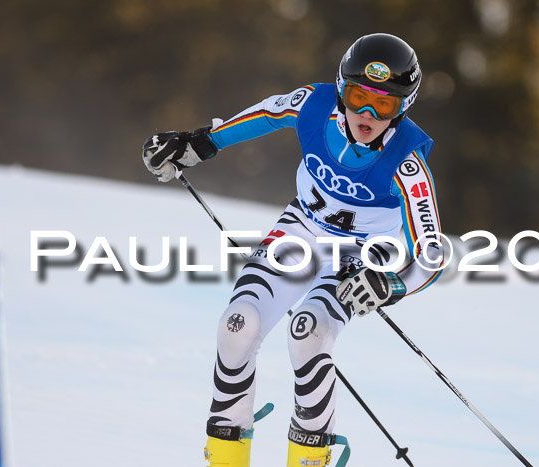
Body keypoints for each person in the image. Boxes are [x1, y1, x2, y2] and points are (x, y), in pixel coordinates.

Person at [142, 33, 444, 467]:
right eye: (358, 95)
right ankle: (226, 458)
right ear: (341, 87)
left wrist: (393, 283)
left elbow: (431, 253)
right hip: (302, 229)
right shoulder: (313, 105)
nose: (367, 113)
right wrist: (198, 144)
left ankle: (309, 459)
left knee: (309, 332)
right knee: (236, 325)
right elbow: (266, 114)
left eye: (385, 104)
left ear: (404, 107)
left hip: (359, 254)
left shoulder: (408, 165)